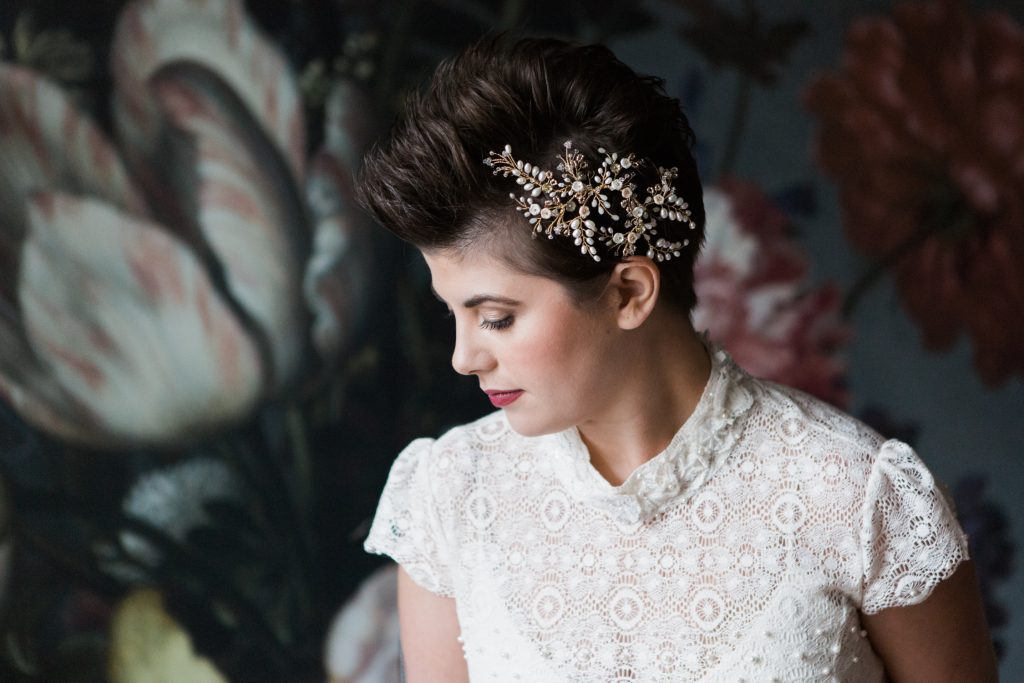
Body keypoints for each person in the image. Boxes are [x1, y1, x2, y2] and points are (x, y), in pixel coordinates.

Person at [358, 35, 997, 683]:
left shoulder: (854, 496)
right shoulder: (452, 492)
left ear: (629, 293)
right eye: (454, 314)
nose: (464, 358)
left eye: (496, 318)